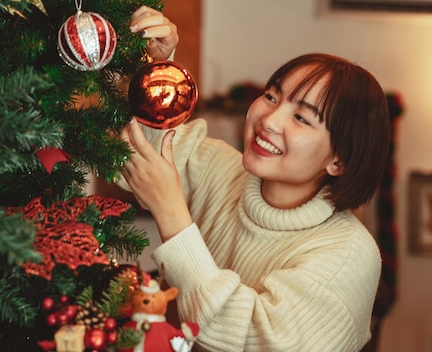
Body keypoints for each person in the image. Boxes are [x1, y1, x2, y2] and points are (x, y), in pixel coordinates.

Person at [120, 11, 391, 352]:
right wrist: (157, 68)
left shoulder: (347, 257)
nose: (270, 120)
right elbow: (127, 147)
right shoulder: (219, 166)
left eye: (301, 118)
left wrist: (171, 211)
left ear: (340, 159)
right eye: (272, 96)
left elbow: (255, 341)